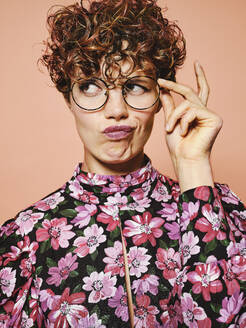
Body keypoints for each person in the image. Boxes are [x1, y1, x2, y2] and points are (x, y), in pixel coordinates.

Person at [0, 0, 245, 327]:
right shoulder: (25, 239)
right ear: (68, 98)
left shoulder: (217, 211)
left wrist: (193, 165)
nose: (116, 109)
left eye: (135, 86)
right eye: (90, 86)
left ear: (161, 97)